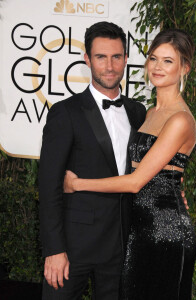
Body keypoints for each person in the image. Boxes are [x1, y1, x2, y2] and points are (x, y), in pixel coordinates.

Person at [64, 28, 196, 300]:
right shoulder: (148, 113)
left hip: (166, 232)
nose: (157, 67)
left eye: (168, 61)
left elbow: (136, 180)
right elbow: (163, 170)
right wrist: (175, 186)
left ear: (185, 68)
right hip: (139, 230)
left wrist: (76, 183)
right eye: (153, 59)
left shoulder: (180, 120)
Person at [39, 22, 146, 299]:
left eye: (116, 57)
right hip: (73, 246)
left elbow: (145, 170)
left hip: (121, 243)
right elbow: (49, 186)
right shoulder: (66, 113)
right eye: (101, 57)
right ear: (87, 59)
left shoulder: (137, 112)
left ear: (125, 58)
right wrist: (54, 249)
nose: (109, 66)